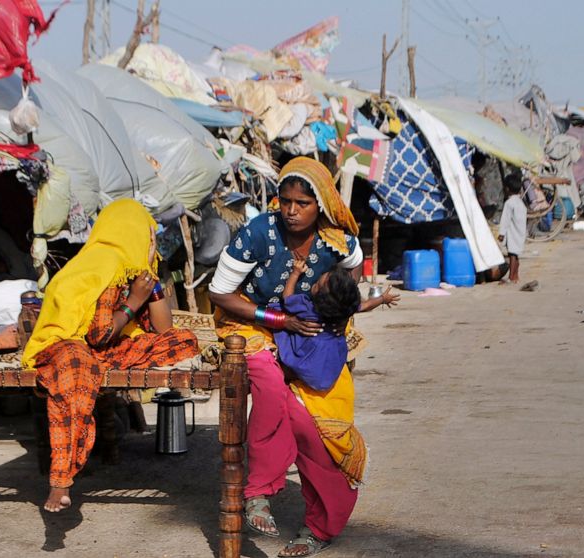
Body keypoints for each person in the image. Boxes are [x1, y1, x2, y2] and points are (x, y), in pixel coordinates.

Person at [209, 157, 392, 558]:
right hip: (251, 327)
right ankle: (258, 491)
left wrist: (326, 318)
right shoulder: (258, 232)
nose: (291, 211)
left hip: (309, 335)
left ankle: (321, 525)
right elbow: (220, 294)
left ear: (321, 204)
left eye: (302, 204)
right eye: (285, 200)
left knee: (316, 430)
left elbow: (351, 281)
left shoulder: (337, 241)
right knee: (272, 389)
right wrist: (279, 319)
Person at [22, 199, 200, 513]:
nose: (152, 243)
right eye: (148, 236)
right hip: (67, 344)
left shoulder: (131, 267)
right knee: (76, 373)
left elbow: (163, 330)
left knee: (183, 340)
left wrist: (151, 284)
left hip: (102, 346)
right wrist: (134, 300)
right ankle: (60, 480)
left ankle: (64, 475)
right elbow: (97, 334)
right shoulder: (105, 264)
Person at [273, 262, 398, 392]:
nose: (314, 284)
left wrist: (295, 273)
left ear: (318, 294)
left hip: (306, 362)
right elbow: (365, 306)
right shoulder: (344, 308)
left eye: (316, 285)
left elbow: (287, 297)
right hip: (329, 366)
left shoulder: (307, 310)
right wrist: (382, 298)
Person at [498, 174, 527, 284]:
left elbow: (505, 220)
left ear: (507, 189)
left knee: (512, 255)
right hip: (520, 231)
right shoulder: (520, 202)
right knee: (516, 254)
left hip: (512, 232)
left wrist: (501, 233)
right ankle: (516, 275)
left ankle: (511, 277)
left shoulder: (509, 203)